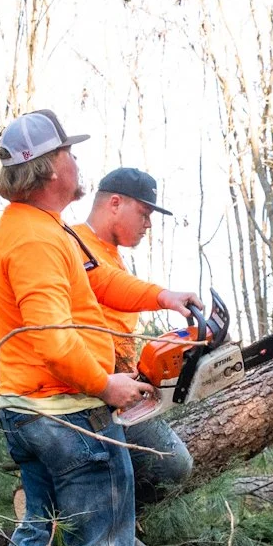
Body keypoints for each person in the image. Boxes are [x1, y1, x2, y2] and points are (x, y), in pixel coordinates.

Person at [0, 110, 200, 546]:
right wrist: (108, 386)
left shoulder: (45, 230)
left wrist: (163, 296)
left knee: (35, 536)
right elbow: (50, 335)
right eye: (72, 155)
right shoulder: (32, 240)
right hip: (66, 415)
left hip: (37, 410)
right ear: (51, 169)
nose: (80, 164)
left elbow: (102, 286)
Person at [72, 168, 196, 506]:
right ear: (115, 203)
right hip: (92, 392)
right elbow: (105, 290)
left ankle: (113, 526)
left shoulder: (113, 258)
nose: (148, 224)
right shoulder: (75, 244)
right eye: (144, 213)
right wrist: (165, 296)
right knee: (174, 465)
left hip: (118, 384)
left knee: (171, 467)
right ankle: (97, 520)